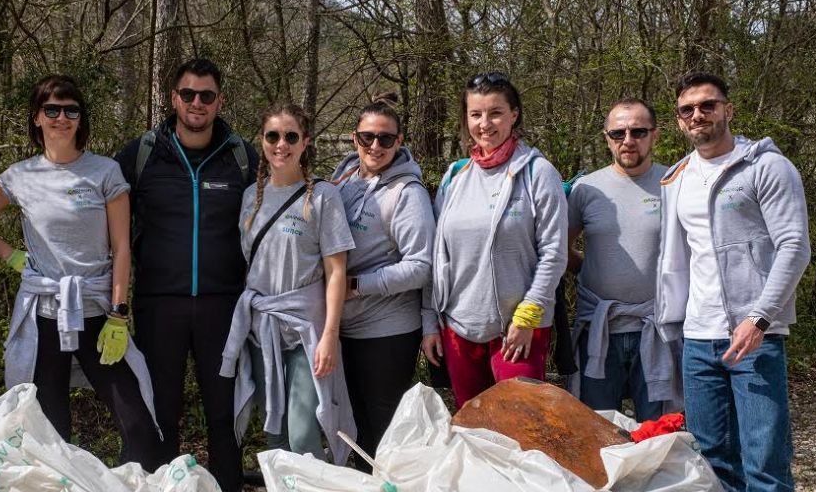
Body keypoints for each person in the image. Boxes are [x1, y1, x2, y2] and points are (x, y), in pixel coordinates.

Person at [656, 71, 810, 492]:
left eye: (707, 106)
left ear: (729, 109)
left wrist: (761, 318)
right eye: (686, 110)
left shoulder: (767, 167)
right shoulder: (677, 178)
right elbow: (676, 262)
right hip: (697, 336)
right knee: (714, 459)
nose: (697, 117)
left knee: (764, 458)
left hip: (755, 337)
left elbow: (794, 245)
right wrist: (670, 326)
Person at [0, 75, 164, 469]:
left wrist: (119, 311)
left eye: (71, 110)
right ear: (36, 117)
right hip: (45, 315)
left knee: (138, 423)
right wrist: (11, 256)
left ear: (81, 118)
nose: (62, 118)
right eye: (52, 110)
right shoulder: (20, 175)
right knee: (49, 429)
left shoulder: (104, 172)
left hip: (97, 311)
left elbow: (122, 246)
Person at [115, 58, 258, 492]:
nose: (198, 103)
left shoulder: (243, 158)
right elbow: (102, 214)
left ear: (219, 102)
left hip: (223, 305)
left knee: (224, 411)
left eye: (207, 96)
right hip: (160, 304)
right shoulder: (140, 154)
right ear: (173, 98)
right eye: (189, 94)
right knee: (162, 411)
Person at [220, 102, 357, 466]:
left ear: (305, 141)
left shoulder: (323, 197)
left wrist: (329, 334)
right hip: (262, 329)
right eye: (273, 136)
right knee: (274, 429)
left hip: (305, 331)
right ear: (262, 140)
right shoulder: (251, 196)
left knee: (301, 429)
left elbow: (337, 271)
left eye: (291, 136)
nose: (281, 144)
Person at [422, 73, 568, 408]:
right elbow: (436, 258)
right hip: (459, 330)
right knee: (474, 433)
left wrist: (527, 317)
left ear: (514, 114)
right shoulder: (455, 176)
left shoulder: (538, 172)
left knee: (520, 433)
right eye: (476, 114)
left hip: (518, 329)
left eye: (495, 113)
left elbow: (554, 253)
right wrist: (430, 321)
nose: (485, 124)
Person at [329, 92, 435, 466]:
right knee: (350, 427)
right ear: (354, 137)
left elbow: (421, 265)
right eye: (367, 137)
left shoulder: (408, 194)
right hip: (341, 328)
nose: (376, 146)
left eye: (386, 139)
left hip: (387, 332)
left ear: (399, 142)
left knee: (382, 432)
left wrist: (357, 287)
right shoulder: (341, 183)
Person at [567, 97, 681, 420]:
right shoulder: (586, 190)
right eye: (618, 133)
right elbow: (560, 249)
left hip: (657, 331)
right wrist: (588, 270)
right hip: (599, 333)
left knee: (660, 434)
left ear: (655, 135)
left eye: (638, 131)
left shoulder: (673, 184)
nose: (628, 141)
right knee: (597, 431)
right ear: (606, 137)